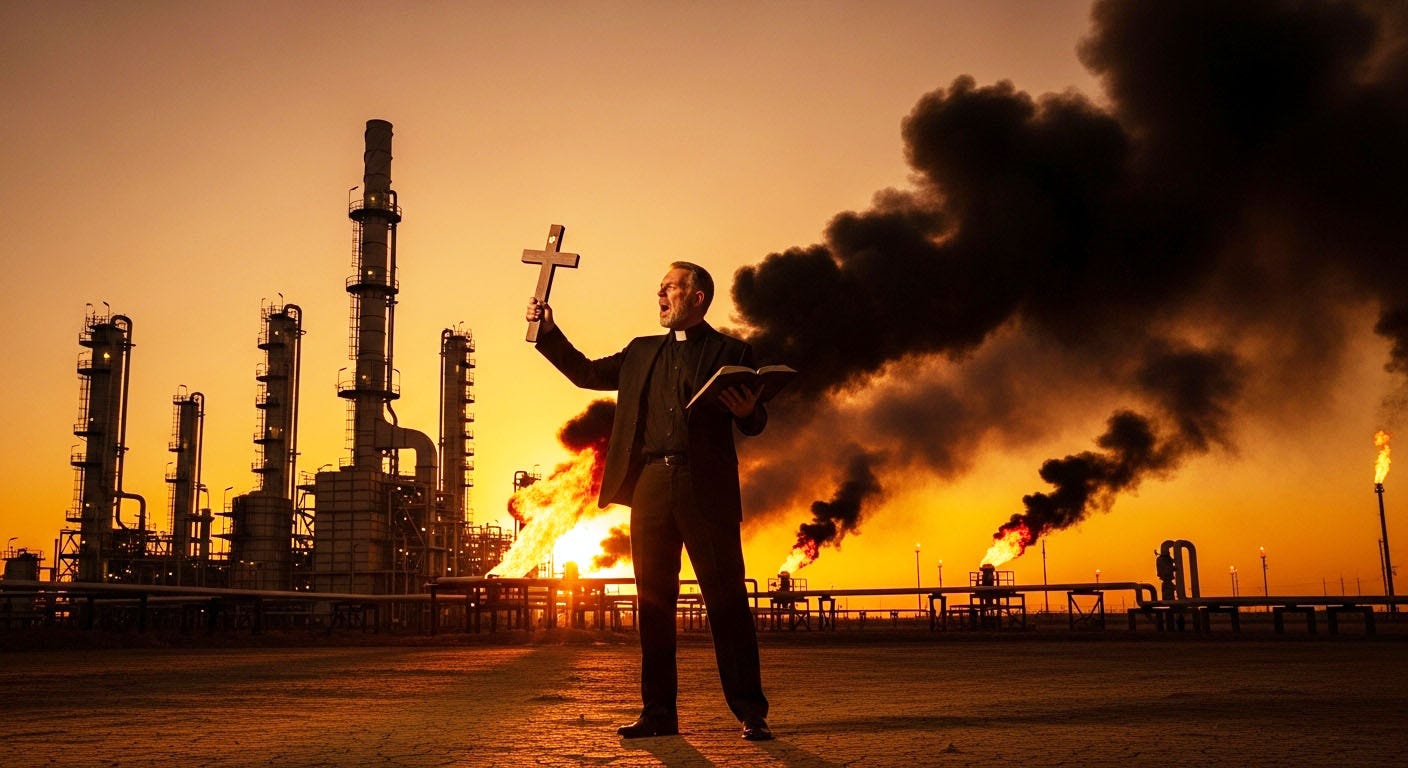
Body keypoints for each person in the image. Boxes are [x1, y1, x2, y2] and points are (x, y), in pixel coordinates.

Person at [525, 261, 773, 741]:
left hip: (706, 489)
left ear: (698, 297)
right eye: (659, 288)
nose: (660, 295)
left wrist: (749, 413)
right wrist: (549, 331)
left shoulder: (731, 351)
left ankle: (750, 711)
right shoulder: (641, 352)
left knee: (726, 599)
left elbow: (754, 420)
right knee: (654, 604)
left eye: (671, 287)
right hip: (650, 487)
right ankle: (658, 713)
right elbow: (584, 373)